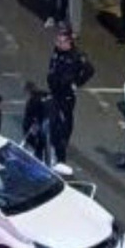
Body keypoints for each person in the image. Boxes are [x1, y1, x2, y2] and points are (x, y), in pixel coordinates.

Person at [46, 30, 94, 164]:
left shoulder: (77, 56)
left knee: (65, 119)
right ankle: (55, 142)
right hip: (55, 90)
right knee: (54, 118)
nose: (58, 44)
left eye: (61, 42)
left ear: (68, 42)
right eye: (57, 41)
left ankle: (62, 143)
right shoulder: (57, 51)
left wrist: (77, 83)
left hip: (66, 93)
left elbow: (90, 70)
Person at [22, 82, 50, 163]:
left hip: (37, 125)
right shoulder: (46, 95)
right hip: (47, 123)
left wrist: (27, 129)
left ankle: (39, 161)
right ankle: (46, 161)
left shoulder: (32, 100)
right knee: (45, 145)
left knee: (37, 147)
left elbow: (29, 116)